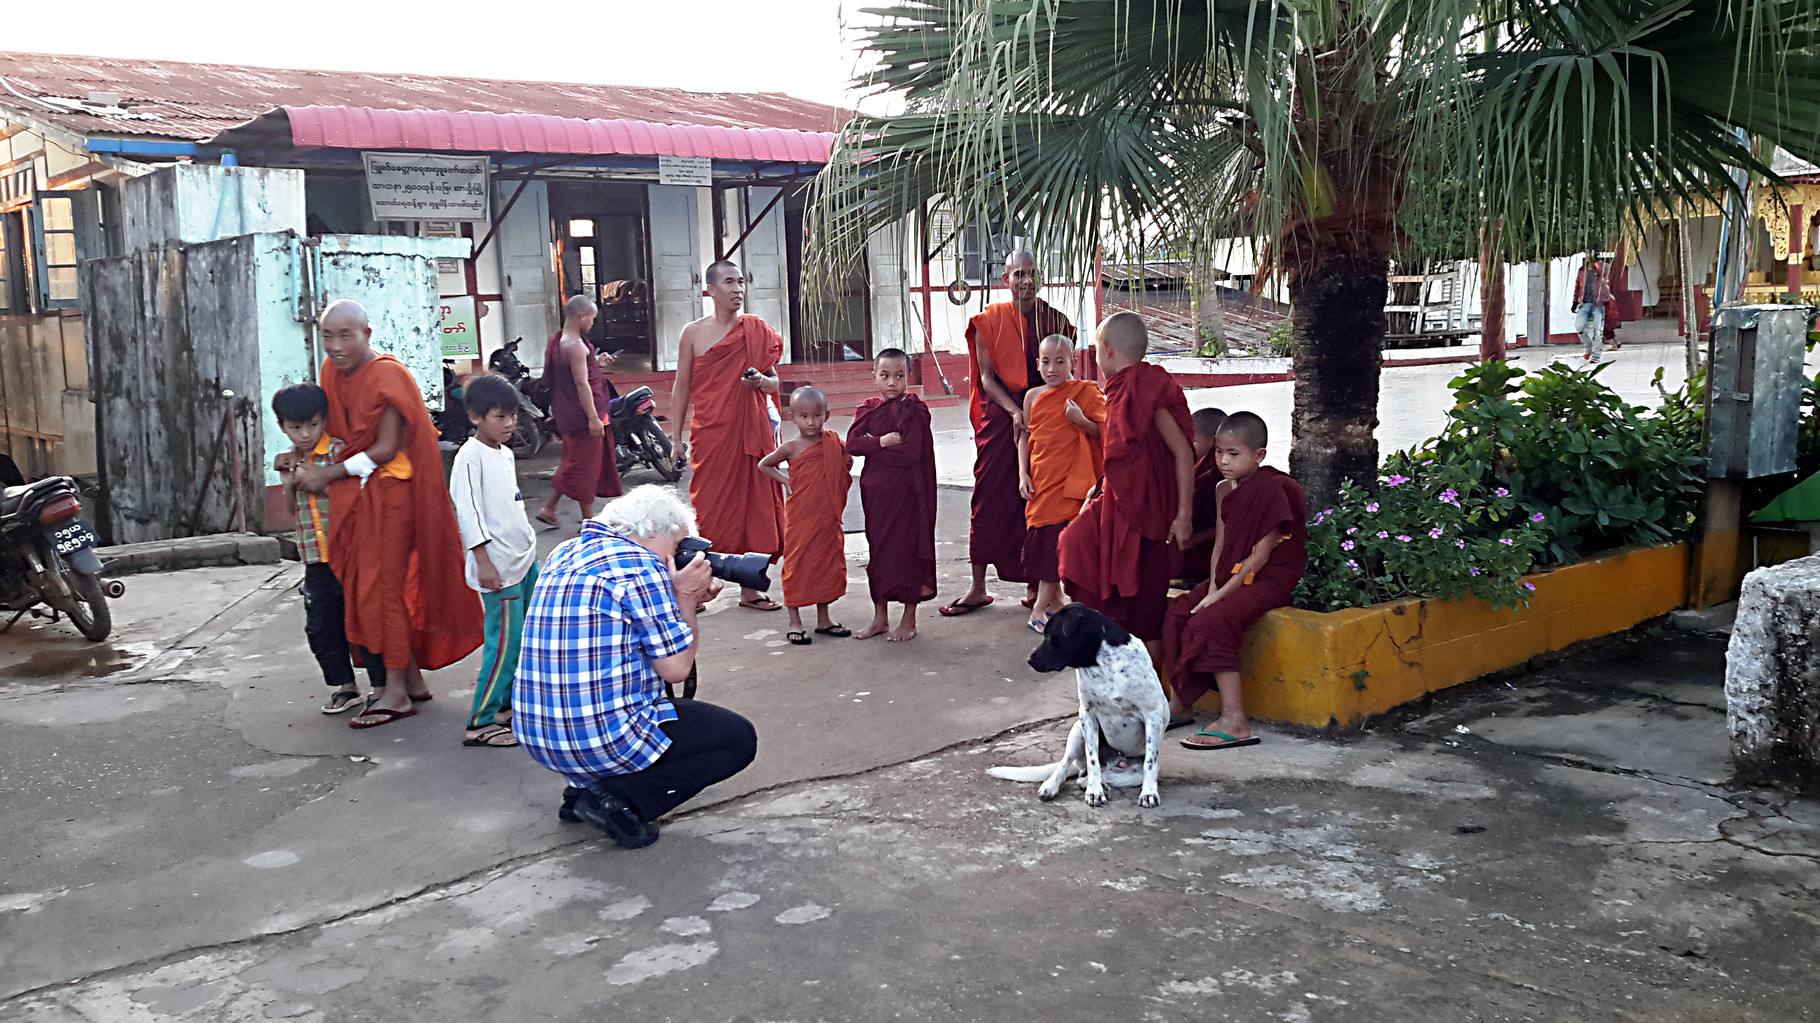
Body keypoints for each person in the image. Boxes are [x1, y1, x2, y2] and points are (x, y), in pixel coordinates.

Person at [515, 485, 758, 849]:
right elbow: (676, 669)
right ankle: (615, 801)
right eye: (679, 547)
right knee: (737, 740)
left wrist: (676, 597)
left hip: (537, 732)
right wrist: (687, 599)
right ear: (652, 532)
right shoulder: (641, 566)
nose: (680, 558)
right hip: (599, 738)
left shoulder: (566, 551)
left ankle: (583, 788)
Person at [286, 298, 483, 730]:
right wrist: (302, 457)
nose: (335, 346)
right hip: (355, 493)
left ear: (367, 335)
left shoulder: (388, 375)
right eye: (327, 336)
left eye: (345, 335)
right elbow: (333, 433)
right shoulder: (330, 374)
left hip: (393, 493)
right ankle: (409, 678)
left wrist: (330, 473)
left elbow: (384, 448)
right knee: (366, 584)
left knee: (383, 588)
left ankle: (394, 691)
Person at [941, 250, 1077, 618]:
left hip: (1047, 419)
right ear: (1006, 279)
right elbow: (986, 378)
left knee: (1042, 501)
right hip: (1002, 417)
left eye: (1032, 274)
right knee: (989, 497)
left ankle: (1039, 587)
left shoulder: (1056, 320)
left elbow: (1065, 370)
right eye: (1019, 274)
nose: (1026, 281)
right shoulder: (990, 321)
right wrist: (1015, 411)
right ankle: (977, 587)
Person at [1162, 411, 1307, 750]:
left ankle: (1235, 720)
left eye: (1233, 454)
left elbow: (1260, 556)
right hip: (1230, 573)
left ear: (1259, 456)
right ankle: (1181, 704)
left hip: (1268, 577)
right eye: (1218, 452)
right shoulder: (1222, 489)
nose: (1223, 461)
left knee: (1209, 622)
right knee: (1178, 614)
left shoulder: (1273, 489)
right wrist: (1212, 587)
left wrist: (1218, 598)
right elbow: (1222, 547)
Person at [1058, 311, 1195, 646]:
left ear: (1105, 350)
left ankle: (1155, 687)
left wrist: (1184, 516)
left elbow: (1183, 452)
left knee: (1146, 599)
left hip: (1151, 511)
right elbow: (1122, 454)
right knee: (1074, 543)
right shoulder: (1119, 391)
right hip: (1118, 504)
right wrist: (1101, 484)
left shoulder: (1146, 389)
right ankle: (1104, 637)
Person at [671, 260, 785, 611]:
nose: (737, 289)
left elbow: (775, 381)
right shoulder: (693, 333)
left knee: (755, 509)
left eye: (740, 282)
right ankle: (699, 587)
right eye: (728, 283)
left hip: (750, 433)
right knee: (710, 510)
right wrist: (675, 438)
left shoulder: (755, 331)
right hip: (711, 434)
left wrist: (761, 383)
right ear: (711, 291)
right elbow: (682, 386)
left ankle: (751, 589)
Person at [449, 373, 541, 749]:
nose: (509, 424)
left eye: (512, 416)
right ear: (475, 417)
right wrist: (483, 562)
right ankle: (480, 721)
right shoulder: (468, 458)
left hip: (522, 558)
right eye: (500, 417)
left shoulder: (503, 454)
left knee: (525, 638)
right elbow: (469, 515)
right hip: (498, 568)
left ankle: (504, 706)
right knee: (503, 643)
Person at [272, 382, 368, 715]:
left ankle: (384, 685)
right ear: (282, 426)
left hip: (347, 552)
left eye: (312, 425)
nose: (304, 434)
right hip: (314, 558)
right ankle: (345, 686)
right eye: (295, 427)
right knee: (321, 626)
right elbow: (291, 508)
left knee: (363, 619)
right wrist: (289, 484)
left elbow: (355, 498)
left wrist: (319, 481)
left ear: (324, 419)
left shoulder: (339, 453)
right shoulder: (288, 460)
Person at [1016, 334, 1104, 633]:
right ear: (1037, 363)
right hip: (1041, 481)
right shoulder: (1032, 397)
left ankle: (1041, 608)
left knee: (1056, 544)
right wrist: (1022, 474)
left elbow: (1103, 432)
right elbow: (1025, 438)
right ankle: (1054, 605)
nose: (1052, 368)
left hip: (1070, 485)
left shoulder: (1084, 393)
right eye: (1045, 361)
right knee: (1044, 543)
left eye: (1060, 361)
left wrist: (1078, 419)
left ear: (1073, 363)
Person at [847, 349, 937, 641]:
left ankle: (908, 619)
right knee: (880, 555)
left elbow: (911, 453)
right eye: (884, 376)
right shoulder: (868, 410)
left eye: (899, 376)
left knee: (908, 553)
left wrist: (873, 446)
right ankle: (880, 618)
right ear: (873, 377)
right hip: (876, 497)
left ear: (908, 378)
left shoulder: (915, 410)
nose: (891, 383)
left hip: (908, 495)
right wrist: (882, 443)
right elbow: (852, 444)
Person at [758, 386, 853, 645]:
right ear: (792, 417)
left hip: (826, 516)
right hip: (801, 516)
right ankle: (795, 621)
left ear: (827, 415)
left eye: (817, 415)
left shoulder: (833, 442)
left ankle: (824, 619)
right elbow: (764, 465)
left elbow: (846, 463)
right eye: (804, 416)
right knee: (798, 563)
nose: (811, 422)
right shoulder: (790, 447)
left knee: (826, 563)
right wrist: (786, 480)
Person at [537, 295, 624, 528]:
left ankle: (549, 508)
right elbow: (581, 383)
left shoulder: (559, 340)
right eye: (592, 319)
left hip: (569, 412)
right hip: (583, 415)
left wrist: (597, 362)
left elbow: (579, 369)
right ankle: (589, 521)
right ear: (581, 316)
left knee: (573, 460)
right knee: (584, 466)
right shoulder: (575, 345)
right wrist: (593, 418)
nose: (593, 324)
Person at [1176, 407, 1230, 588]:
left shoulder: (1219, 476)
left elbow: (1228, 523)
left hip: (1203, 556)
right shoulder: (1199, 467)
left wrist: (1192, 541)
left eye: (1194, 441)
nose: (1188, 447)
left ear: (1214, 442)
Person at [1573, 252, 1614, 362]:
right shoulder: (1582, 270)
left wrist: (1597, 261)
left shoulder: (1602, 268)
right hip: (1584, 303)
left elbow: (1603, 271)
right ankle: (1588, 345)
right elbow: (1578, 286)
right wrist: (1575, 301)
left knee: (1598, 330)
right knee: (1579, 327)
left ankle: (1596, 354)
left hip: (1598, 303)